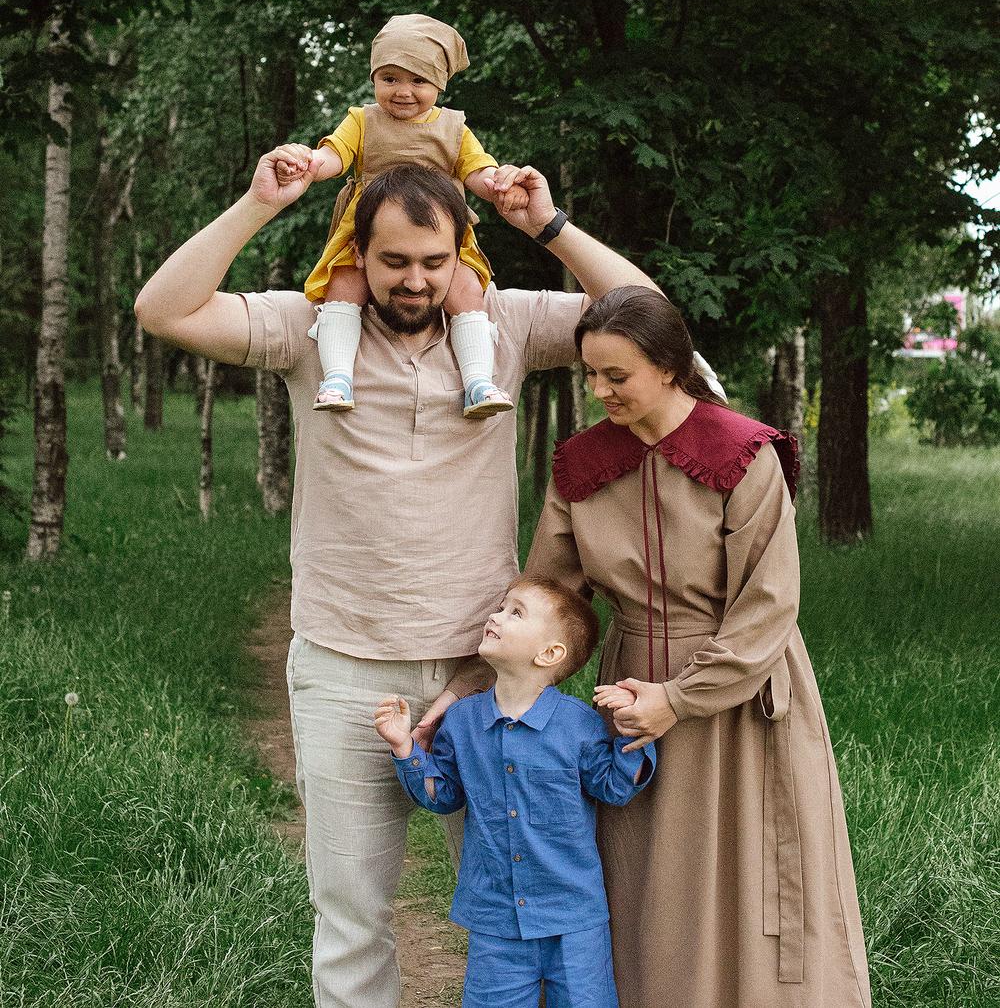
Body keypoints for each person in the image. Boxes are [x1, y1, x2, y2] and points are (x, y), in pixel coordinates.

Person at [133, 150, 696, 1008]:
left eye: (435, 263)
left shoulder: (502, 326)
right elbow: (162, 308)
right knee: (353, 917)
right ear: (359, 255)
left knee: (532, 911)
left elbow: (650, 315)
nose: (415, 281)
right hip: (344, 668)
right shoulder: (311, 328)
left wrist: (546, 226)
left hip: (492, 677)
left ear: (462, 256)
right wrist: (257, 202)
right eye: (394, 261)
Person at [525, 285, 872, 1008]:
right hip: (627, 699)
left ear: (670, 366)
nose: (599, 391)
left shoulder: (743, 456)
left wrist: (679, 701)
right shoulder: (581, 467)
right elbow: (552, 599)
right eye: (590, 374)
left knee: (754, 883)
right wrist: (497, 692)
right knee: (651, 888)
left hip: (740, 701)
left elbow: (768, 606)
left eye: (615, 375)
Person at [373, 576, 655, 1008]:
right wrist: (405, 747)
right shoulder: (463, 721)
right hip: (495, 918)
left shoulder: (578, 724)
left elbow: (615, 787)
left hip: (574, 918)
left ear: (549, 654)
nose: (497, 616)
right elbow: (443, 794)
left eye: (516, 613)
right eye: (502, 607)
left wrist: (633, 730)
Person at [275, 13, 516, 418]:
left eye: (418, 81)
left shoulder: (454, 128)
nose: (403, 91)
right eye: (390, 79)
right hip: (369, 233)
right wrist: (309, 162)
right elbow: (334, 155)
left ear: (439, 84)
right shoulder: (363, 120)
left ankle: (478, 381)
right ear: (373, 80)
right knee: (344, 285)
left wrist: (501, 183)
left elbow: (478, 171)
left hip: (437, 233)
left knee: (466, 291)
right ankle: (336, 378)